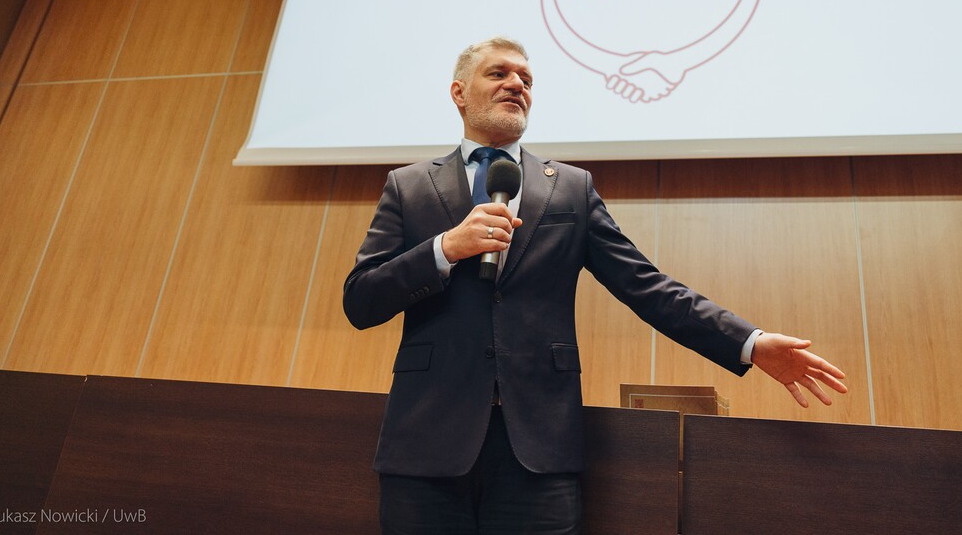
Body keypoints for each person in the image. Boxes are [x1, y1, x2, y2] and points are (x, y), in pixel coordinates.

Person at [344, 37, 847, 535]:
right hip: (426, 442)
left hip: (539, 449)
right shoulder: (408, 185)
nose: (517, 84)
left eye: (526, 79)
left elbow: (645, 285)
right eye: (498, 73)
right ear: (458, 92)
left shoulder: (570, 187)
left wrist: (749, 342)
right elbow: (361, 299)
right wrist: (444, 249)